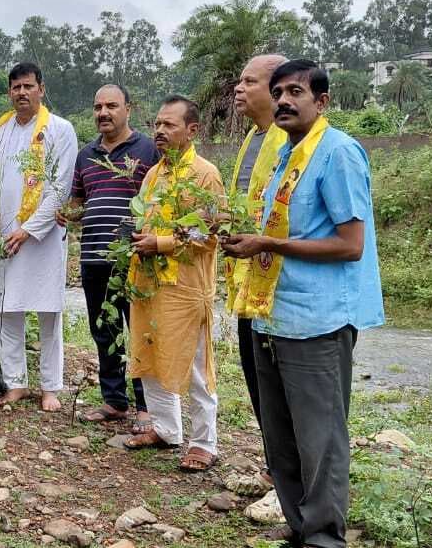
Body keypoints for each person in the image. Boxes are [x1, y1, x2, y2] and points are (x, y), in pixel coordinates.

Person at [223, 59, 384, 548]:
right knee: (281, 434)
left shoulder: (337, 154)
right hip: (274, 315)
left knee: (321, 440)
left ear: (322, 101)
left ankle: (324, 537)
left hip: (318, 321)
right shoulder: (286, 155)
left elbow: (349, 244)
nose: (285, 101)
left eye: (296, 91)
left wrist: (267, 246)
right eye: (278, 93)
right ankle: (301, 526)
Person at [122, 96, 224, 475]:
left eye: (170, 125)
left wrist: (162, 243)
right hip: (149, 281)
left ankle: (203, 443)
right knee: (150, 354)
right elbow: (147, 218)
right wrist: (138, 238)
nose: (160, 132)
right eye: (158, 125)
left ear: (192, 130)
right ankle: (166, 429)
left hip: (185, 287)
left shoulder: (205, 174)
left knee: (195, 363)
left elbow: (211, 233)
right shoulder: (154, 174)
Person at [0, 62, 78, 412]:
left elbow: (61, 187)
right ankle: (15, 382)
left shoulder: (60, 130)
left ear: (41, 89)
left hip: (44, 238)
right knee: (5, 309)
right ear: (9, 92)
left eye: (28, 86)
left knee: (48, 311)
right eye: (16, 87)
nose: (22, 92)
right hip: (3, 236)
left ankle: (50, 387)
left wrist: (30, 229)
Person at [56, 84, 159, 431]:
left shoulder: (148, 148)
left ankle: (147, 406)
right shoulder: (86, 155)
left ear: (128, 108)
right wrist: (67, 213)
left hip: (134, 258)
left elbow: (161, 200)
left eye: (111, 106)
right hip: (93, 257)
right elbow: (79, 202)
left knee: (141, 330)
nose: (103, 113)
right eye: (98, 106)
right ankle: (114, 401)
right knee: (104, 329)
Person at [225, 55, 289, 472]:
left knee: (282, 380)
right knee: (255, 373)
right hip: (248, 278)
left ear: (276, 89)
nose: (238, 88)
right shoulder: (252, 137)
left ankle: (289, 468)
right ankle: (276, 464)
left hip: (279, 281)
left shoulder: (290, 141)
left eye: (249, 81)